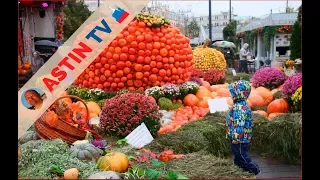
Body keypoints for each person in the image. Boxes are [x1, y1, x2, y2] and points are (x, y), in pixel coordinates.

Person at [226, 80, 260, 175]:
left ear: (238, 93)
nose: (231, 94)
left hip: (239, 138)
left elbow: (239, 123)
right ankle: (238, 168)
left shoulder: (239, 107)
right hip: (242, 137)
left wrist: (236, 138)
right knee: (238, 154)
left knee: (241, 154)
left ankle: (254, 169)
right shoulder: (242, 104)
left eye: (232, 92)